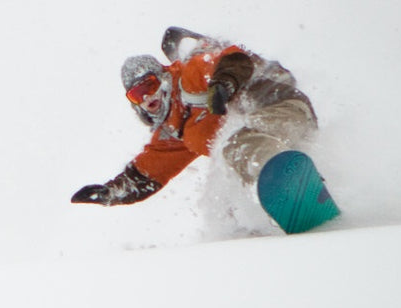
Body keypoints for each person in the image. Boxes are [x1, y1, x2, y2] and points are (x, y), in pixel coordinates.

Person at [70, 27, 322, 210]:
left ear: (163, 76)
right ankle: (253, 233)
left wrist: (223, 85)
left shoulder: (190, 75)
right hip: (268, 141)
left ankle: (294, 189)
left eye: (150, 85)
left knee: (237, 147)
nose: (148, 97)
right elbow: (148, 173)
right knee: (224, 199)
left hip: (281, 105)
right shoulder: (175, 132)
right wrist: (111, 192)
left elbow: (234, 59)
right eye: (137, 95)